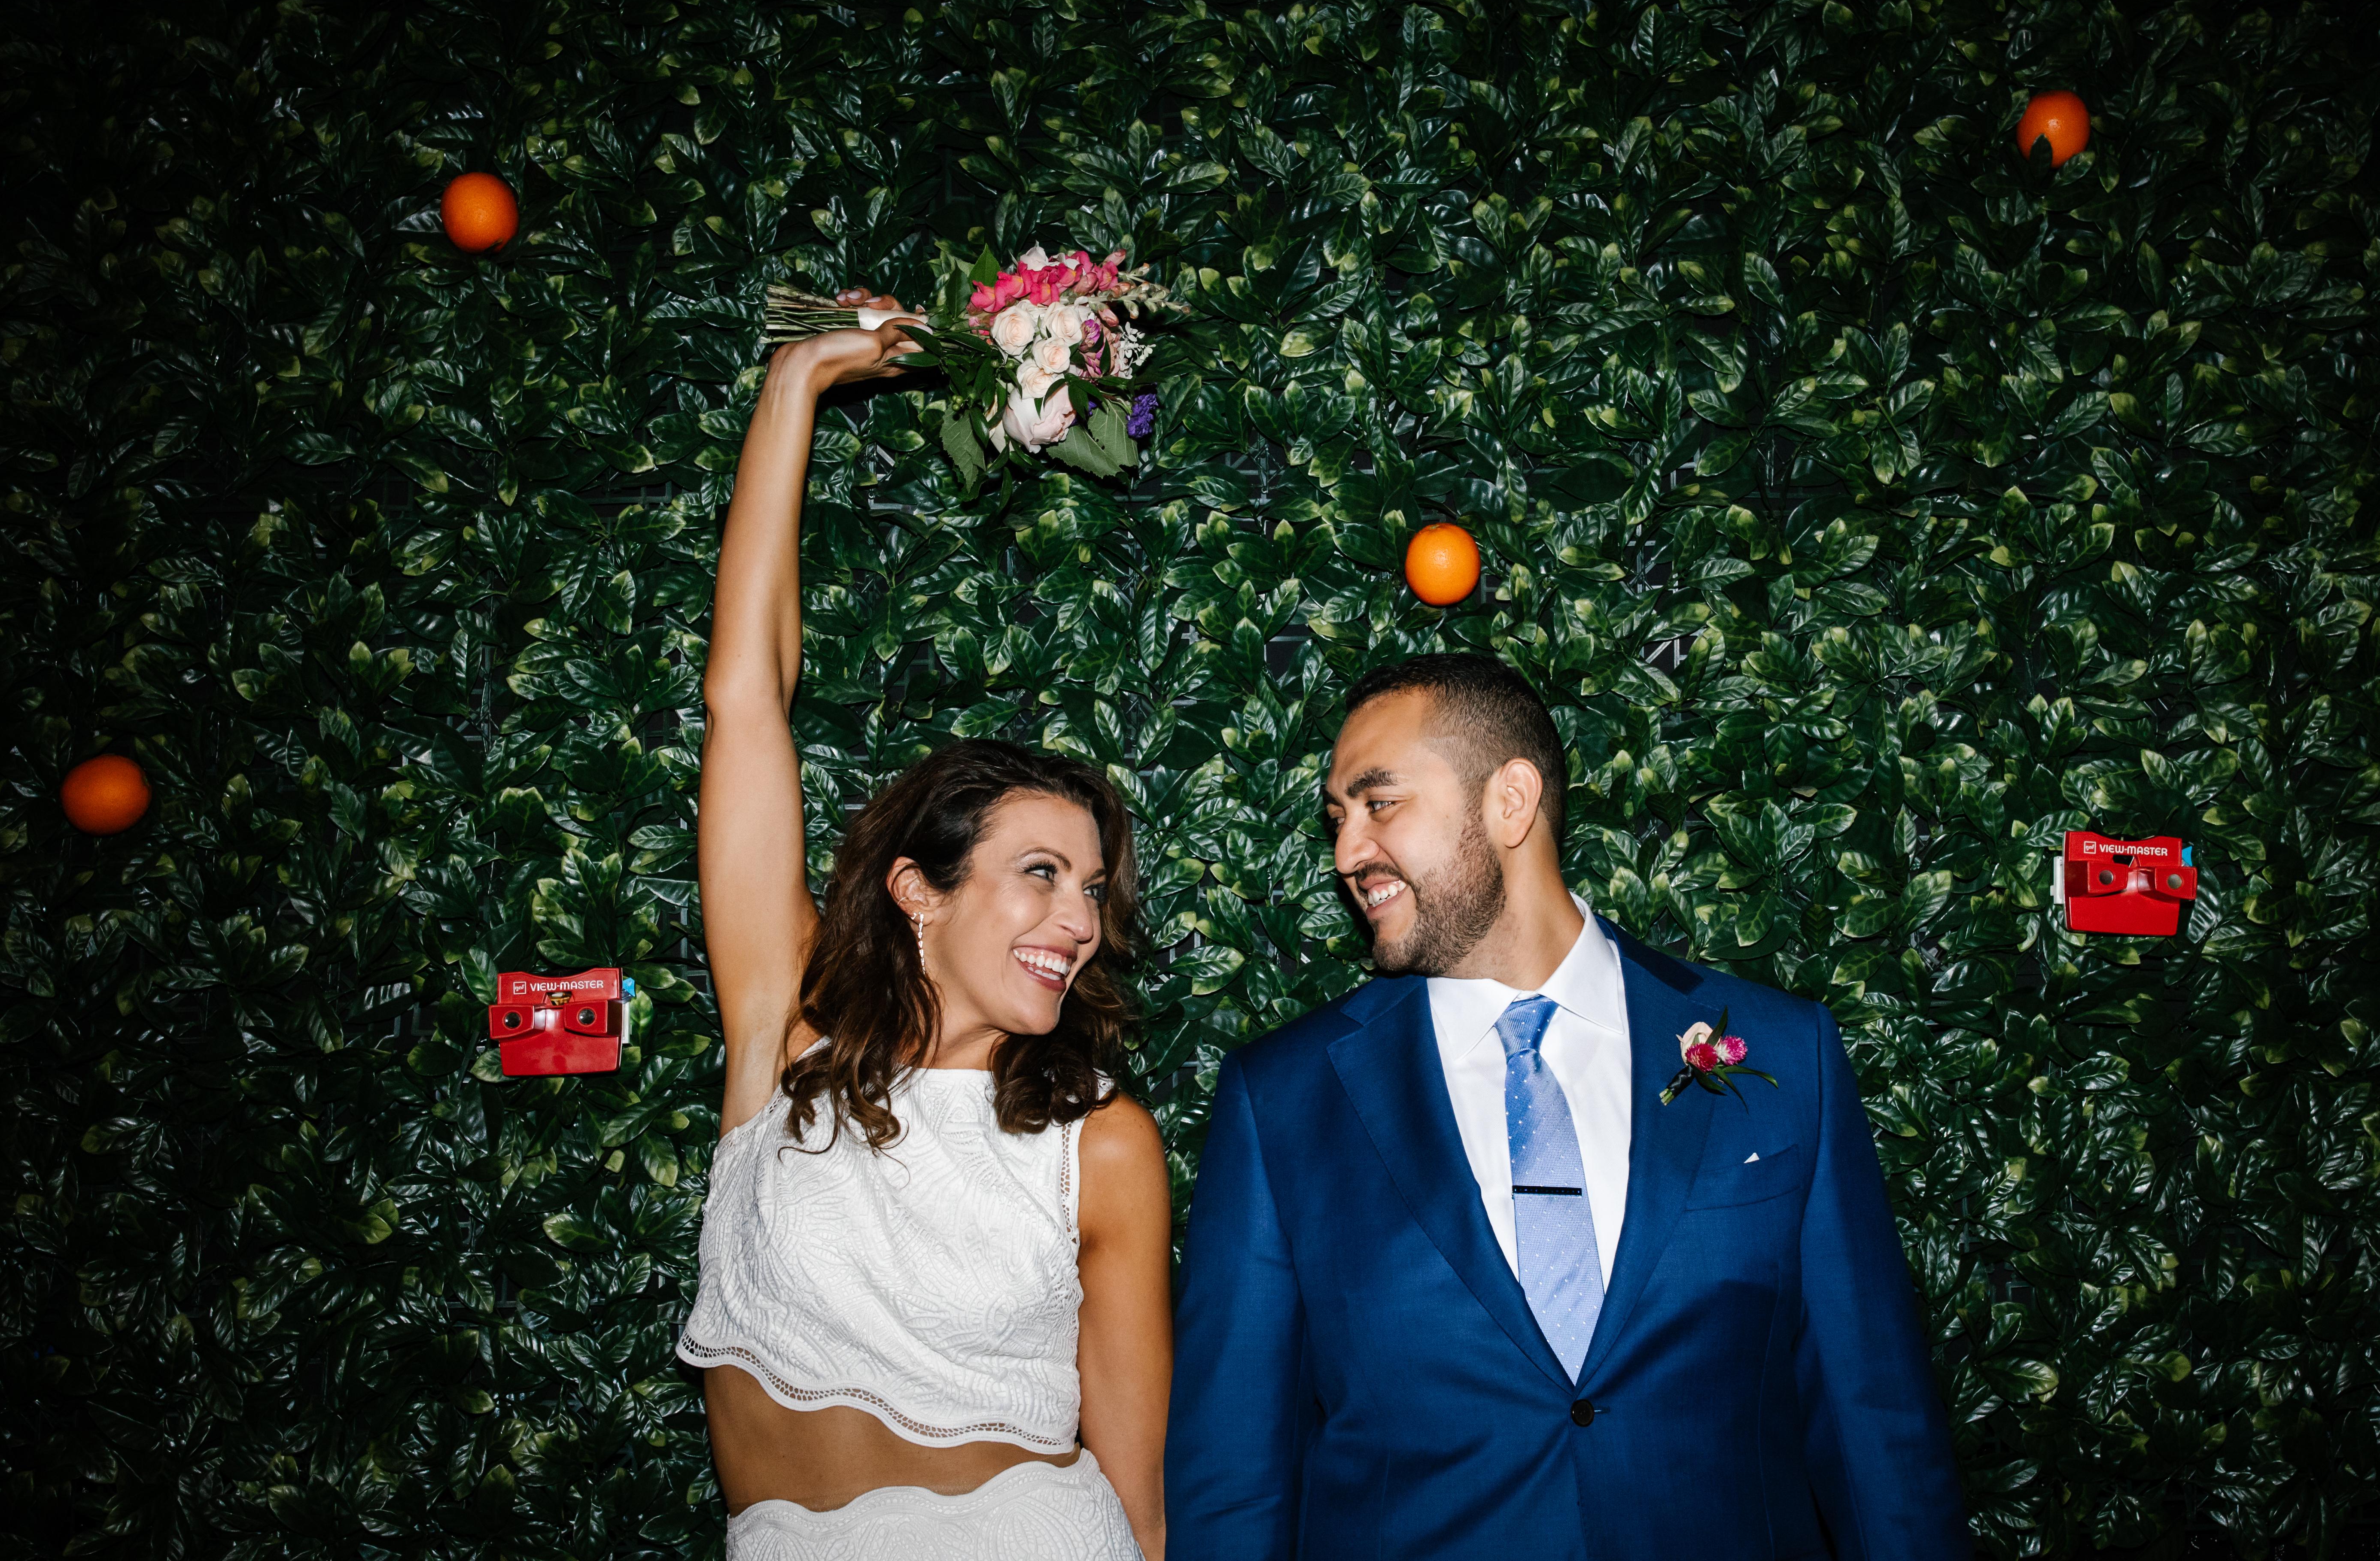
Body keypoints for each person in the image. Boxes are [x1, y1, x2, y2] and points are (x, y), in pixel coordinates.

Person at [1166, 651, 1970, 1559]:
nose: (1349, 853)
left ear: (1511, 801)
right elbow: (1234, 1479)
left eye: (1380, 803)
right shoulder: (1284, 1098)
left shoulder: (1783, 1053)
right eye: (1337, 819)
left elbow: (1878, 1433)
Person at [679, 293, 1170, 1561]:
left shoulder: (1100, 1141)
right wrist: (797, 385)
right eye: (1043, 874)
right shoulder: (785, 1031)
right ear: (918, 889)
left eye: (1094, 888)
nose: (1079, 919)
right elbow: (746, 698)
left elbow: (1140, 1489)